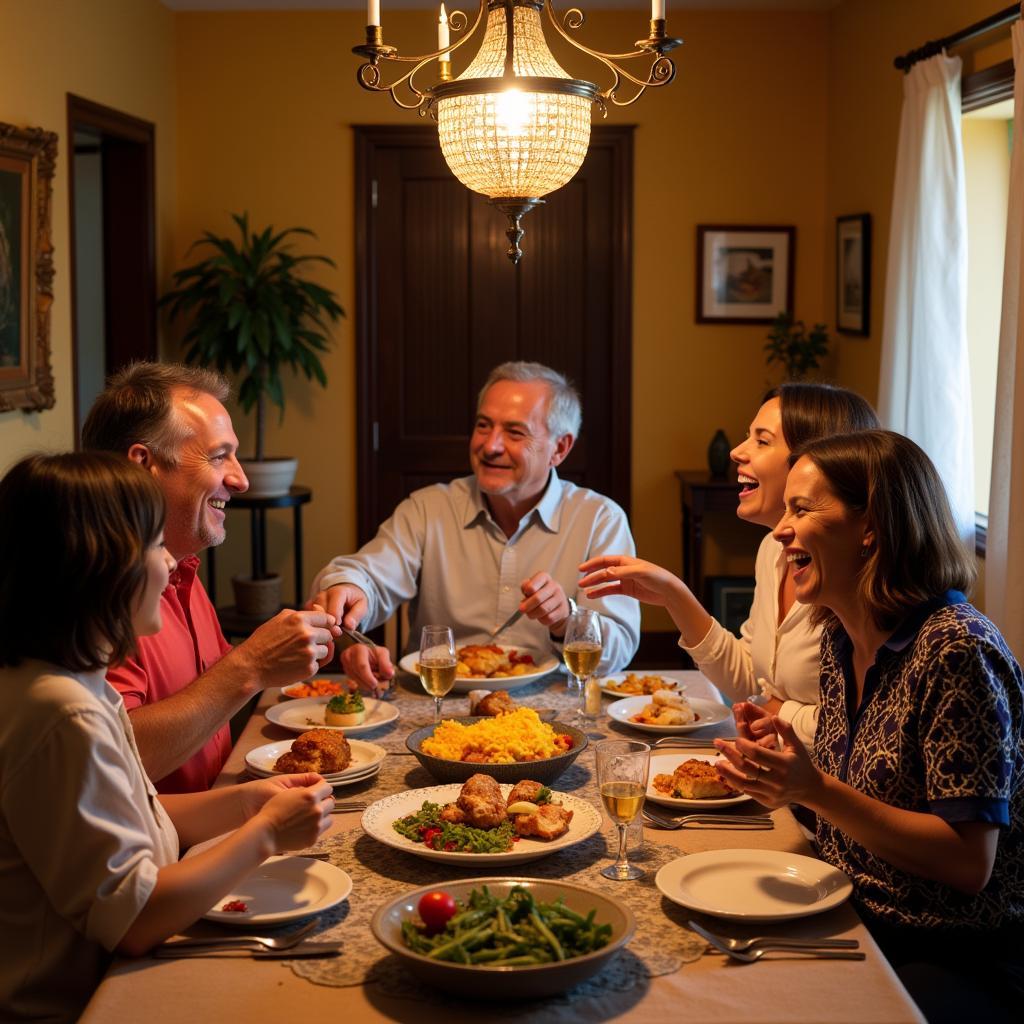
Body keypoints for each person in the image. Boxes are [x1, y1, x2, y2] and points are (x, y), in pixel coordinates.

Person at [0, 452, 334, 1022]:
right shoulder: (63, 714)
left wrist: (242, 803)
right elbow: (131, 922)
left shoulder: (70, 682)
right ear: (103, 566)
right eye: (156, 545)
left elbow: (133, 816)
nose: (170, 563)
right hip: (76, 1003)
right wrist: (265, 836)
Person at [714, 431, 1023, 1022]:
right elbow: (855, 808)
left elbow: (968, 864)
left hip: (954, 951)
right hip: (855, 908)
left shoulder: (956, 651)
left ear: (871, 527)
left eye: (802, 509)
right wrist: (781, 774)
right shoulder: (840, 636)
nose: (781, 531)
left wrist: (814, 789)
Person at [82, 362, 340, 793]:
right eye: (219, 456)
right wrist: (252, 665)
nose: (240, 479)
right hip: (166, 854)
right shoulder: (100, 590)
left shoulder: (182, 565)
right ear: (144, 465)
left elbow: (210, 693)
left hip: (219, 813)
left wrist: (301, 651)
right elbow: (118, 759)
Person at [579, 382, 878, 746]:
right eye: (746, 437)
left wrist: (778, 711)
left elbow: (867, 727)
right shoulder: (772, 550)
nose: (738, 452)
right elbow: (749, 684)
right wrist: (674, 595)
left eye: (762, 441)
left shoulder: (859, 576)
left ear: (819, 461)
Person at [312, 361, 640, 690]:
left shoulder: (599, 519)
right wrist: (348, 588)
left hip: (554, 712)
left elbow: (621, 647)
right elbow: (368, 576)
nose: (490, 446)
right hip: (440, 703)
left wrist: (565, 621)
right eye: (484, 425)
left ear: (560, 448)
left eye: (515, 432)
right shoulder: (428, 508)